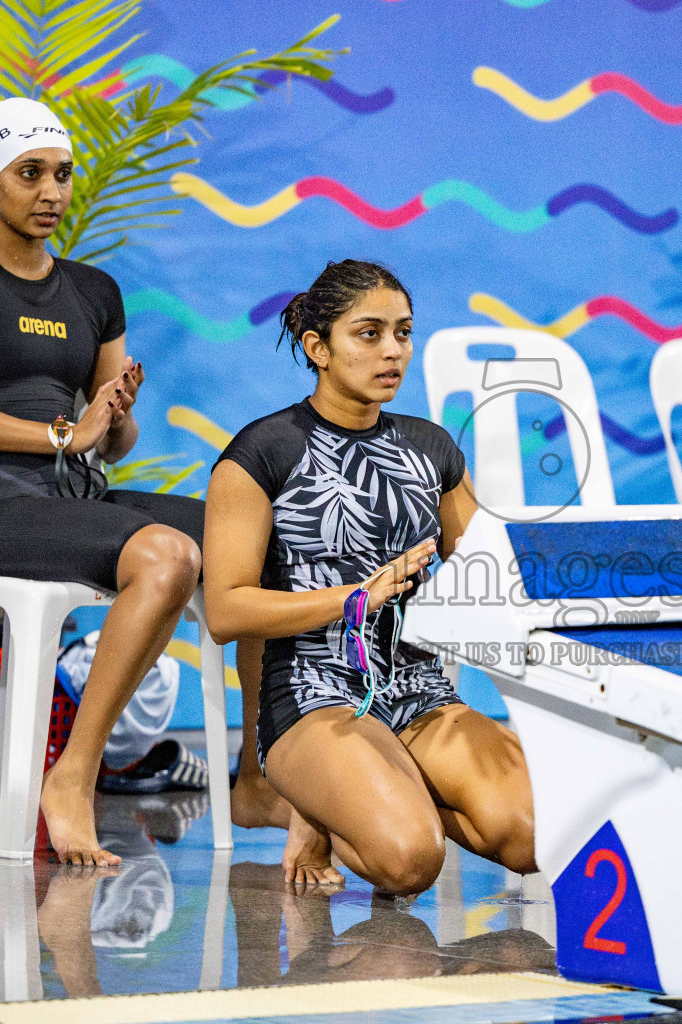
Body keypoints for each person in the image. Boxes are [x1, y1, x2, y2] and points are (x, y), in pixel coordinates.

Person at [0, 97, 202, 866]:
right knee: (164, 557)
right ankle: (75, 776)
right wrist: (64, 433)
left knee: (251, 539)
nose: (51, 192)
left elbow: (115, 443)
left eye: (62, 174)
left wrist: (115, 414)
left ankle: (265, 776)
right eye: (29, 173)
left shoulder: (94, 291)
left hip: (73, 496)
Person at [203, 260, 536, 894]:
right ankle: (329, 798)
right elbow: (227, 610)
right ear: (317, 348)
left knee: (530, 835)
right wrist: (355, 597)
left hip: (417, 687)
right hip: (312, 693)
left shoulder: (430, 448)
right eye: (369, 333)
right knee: (411, 861)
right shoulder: (261, 453)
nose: (393, 351)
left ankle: (364, 792)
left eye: (404, 333)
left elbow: (487, 575)